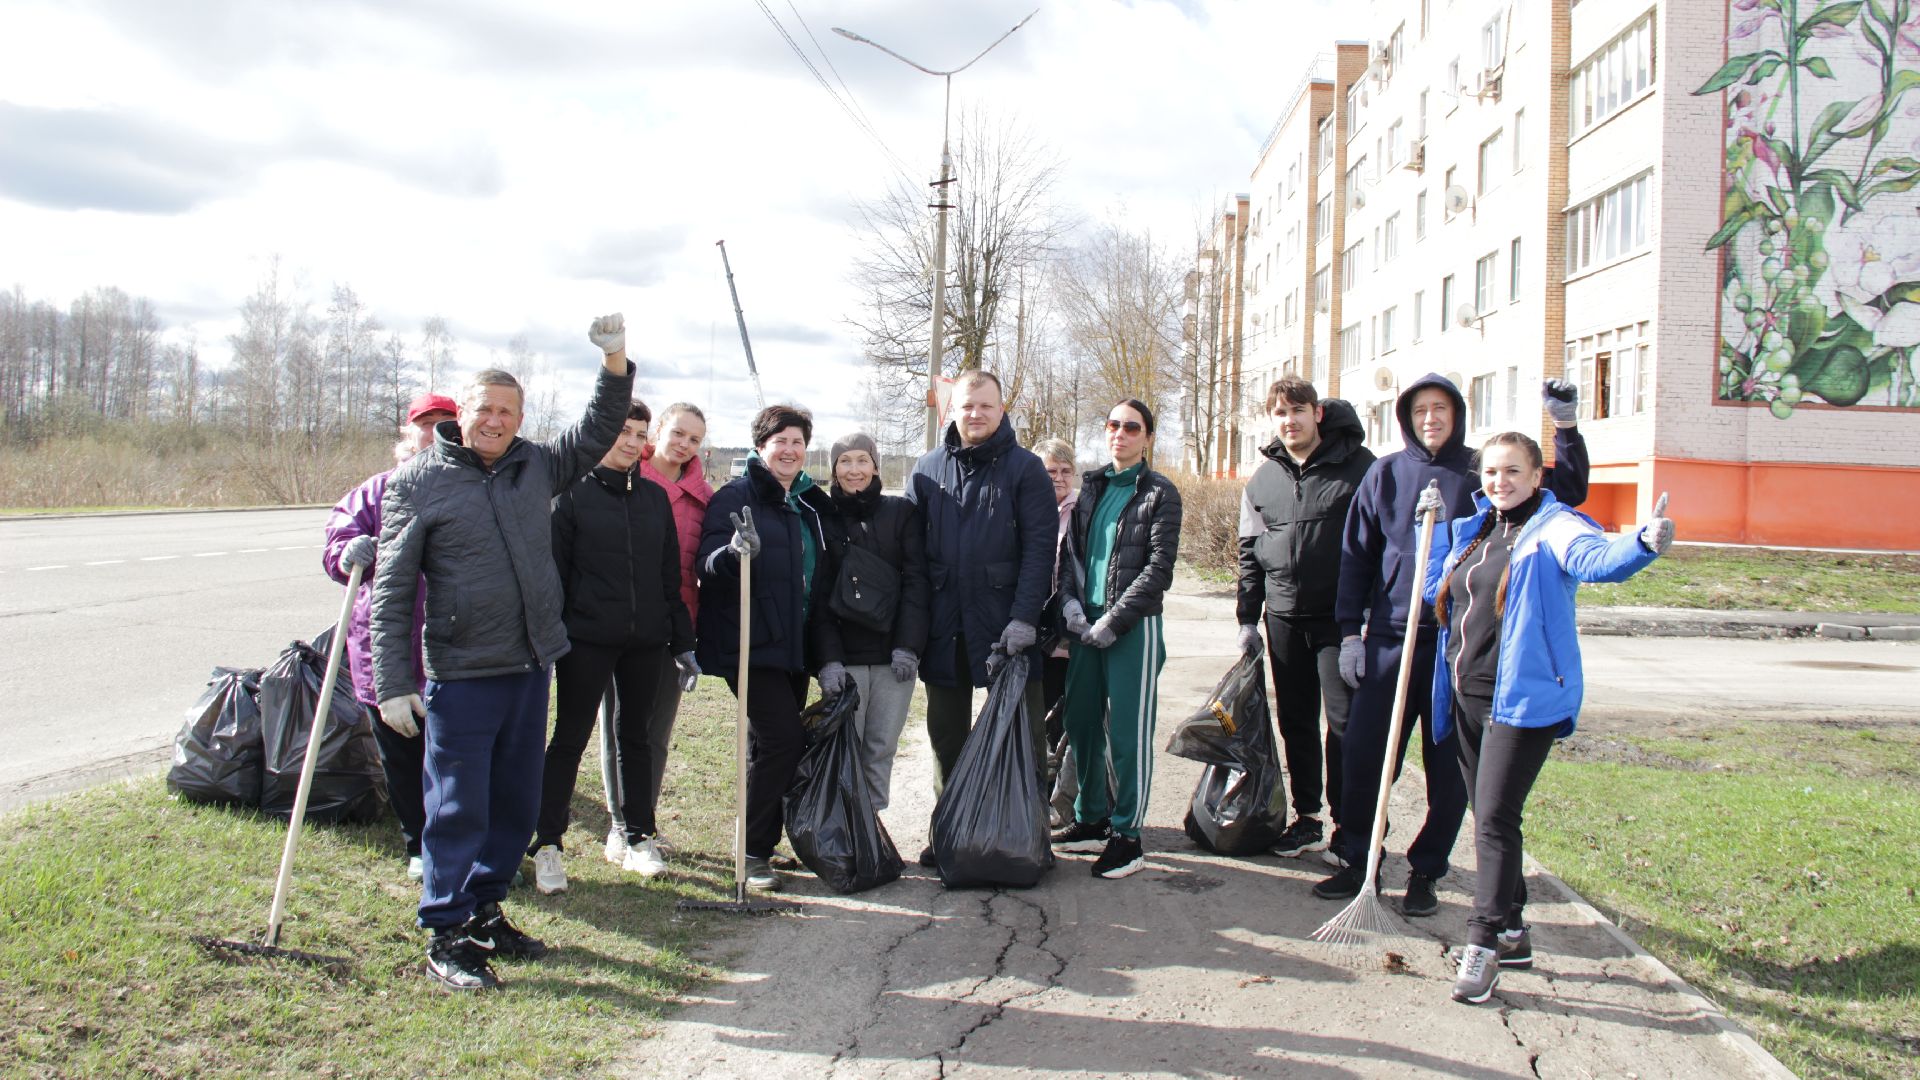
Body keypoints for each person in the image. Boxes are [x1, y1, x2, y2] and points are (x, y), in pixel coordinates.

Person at [370, 314, 634, 992]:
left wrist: (614, 362)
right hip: (462, 671)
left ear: (520, 419)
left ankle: (486, 911)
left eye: (507, 411)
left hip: (529, 664)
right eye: (484, 409)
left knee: (516, 802)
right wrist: (393, 681)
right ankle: (446, 931)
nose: (495, 420)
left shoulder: (534, 467)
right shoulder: (419, 483)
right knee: (458, 805)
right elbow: (393, 589)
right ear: (461, 414)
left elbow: (597, 432)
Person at [1320, 376, 1589, 917]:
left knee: (1448, 769)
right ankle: (1358, 857)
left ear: (1457, 414)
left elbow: (1570, 490)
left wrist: (1565, 427)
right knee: (1366, 752)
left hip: (1453, 646)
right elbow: (1357, 555)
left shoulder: (1481, 470)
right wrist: (1351, 631)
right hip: (1391, 640)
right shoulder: (1386, 474)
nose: (1430, 419)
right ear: (1406, 418)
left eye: (1440, 408)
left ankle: (1426, 871)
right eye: (1420, 410)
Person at [1423, 432, 1673, 1003]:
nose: (1499, 481)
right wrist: (1427, 538)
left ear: (1538, 476)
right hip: (1465, 694)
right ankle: (1512, 930)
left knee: (1492, 822)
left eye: (1513, 471)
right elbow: (1444, 594)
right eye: (1491, 472)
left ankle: (1482, 945)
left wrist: (1642, 543)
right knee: (1492, 815)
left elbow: (1597, 559)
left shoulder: (1555, 528)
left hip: (1521, 701)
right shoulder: (1477, 528)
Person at [529, 401, 698, 892]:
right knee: (570, 739)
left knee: (636, 739)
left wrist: (682, 642)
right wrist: (554, 637)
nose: (630, 441)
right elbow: (554, 576)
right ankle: (548, 844)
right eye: (622, 430)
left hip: (645, 641)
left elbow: (670, 578)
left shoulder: (653, 499)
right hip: (585, 641)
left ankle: (639, 836)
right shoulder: (572, 495)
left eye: (639, 432)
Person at [906, 370, 1057, 867]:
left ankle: (1029, 832)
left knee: (1023, 735)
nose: (975, 414)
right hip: (945, 625)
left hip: (1006, 626)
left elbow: (1040, 550)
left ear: (1001, 407)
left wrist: (1024, 618)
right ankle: (949, 831)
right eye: (967, 405)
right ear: (953, 408)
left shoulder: (1026, 469)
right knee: (946, 738)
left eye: (985, 406)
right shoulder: (927, 469)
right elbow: (910, 555)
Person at [695, 404, 839, 892]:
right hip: (750, 644)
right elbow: (706, 565)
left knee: (767, 745)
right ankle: (754, 852)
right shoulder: (736, 498)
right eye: (780, 441)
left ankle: (760, 842)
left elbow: (816, 580)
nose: (790, 450)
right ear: (761, 447)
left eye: (798, 442)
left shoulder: (807, 503)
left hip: (793, 645)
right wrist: (733, 554)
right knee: (783, 740)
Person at [1234, 376, 1374, 863]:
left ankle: (1350, 824)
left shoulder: (1360, 468)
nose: (1289, 420)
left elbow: (1380, 545)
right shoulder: (1262, 479)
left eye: (1298, 410)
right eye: (1279, 413)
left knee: (1345, 723)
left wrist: (1369, 616)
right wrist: (1247, 619)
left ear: (1317, 412)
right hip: (1285, 619)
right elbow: (1249, 552)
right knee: (1295, 720)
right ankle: (1308, 817)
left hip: (1342, 622)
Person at [321, 391, 457, 881]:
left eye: (448, 423)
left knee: (452, 753)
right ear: (409, 432)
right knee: (402, 751)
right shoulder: (378, 491)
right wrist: (347, 552)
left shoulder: (467, 488)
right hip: (388, 646)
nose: (437, 431)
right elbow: (337, 541)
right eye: (428, 423)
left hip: (452, 646)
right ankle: (419, 843)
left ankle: (456, 837)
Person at [1051, 398, 1183, 880]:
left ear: (1147, 436)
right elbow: (1071, 555)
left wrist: (1115, 619)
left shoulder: (1160, 493)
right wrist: (1069, 605)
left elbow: (1158, 569)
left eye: (1132, 427)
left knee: (1127, 733)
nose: (1120, 433)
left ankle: (1128, 836)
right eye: (1113, 425)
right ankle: (1091, 819)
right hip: (1084, 626)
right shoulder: (1092, 487)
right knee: (1081, 721)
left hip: (1132, 630)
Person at [599, 401, 713, 864]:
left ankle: (643, 820)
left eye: (694, 439)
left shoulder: (705, 497)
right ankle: (618, 825)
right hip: (619, 622)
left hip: (674, 624)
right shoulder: (629, 478)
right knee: (619, 727)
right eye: (678, 433)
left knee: (656, 732)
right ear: (658, 430)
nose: (684, 444)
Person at [815, 432, 930, 811]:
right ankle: (845, 830)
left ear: (875, 465)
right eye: (844, 462)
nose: (854, 470)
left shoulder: (901, 513)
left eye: (862, 460)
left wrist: (908, 646)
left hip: (891, 656)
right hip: (845, 655)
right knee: (846, 747)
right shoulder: (821, 518)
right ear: (834, 470)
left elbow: (916, 582)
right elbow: (818, 594)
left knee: (881, 748)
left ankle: (873, 828)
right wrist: (828, 659)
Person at [1035, 437, 1081, 828]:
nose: (1059, 478)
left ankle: (1065, 803)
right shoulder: (1028, 509)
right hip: (1034, 634)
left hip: (1069, 633)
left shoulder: (1080, 512)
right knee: (1040, 714)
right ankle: (1039, 795)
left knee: (1070, 719)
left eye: (1066, 471)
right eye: (1051, 471)